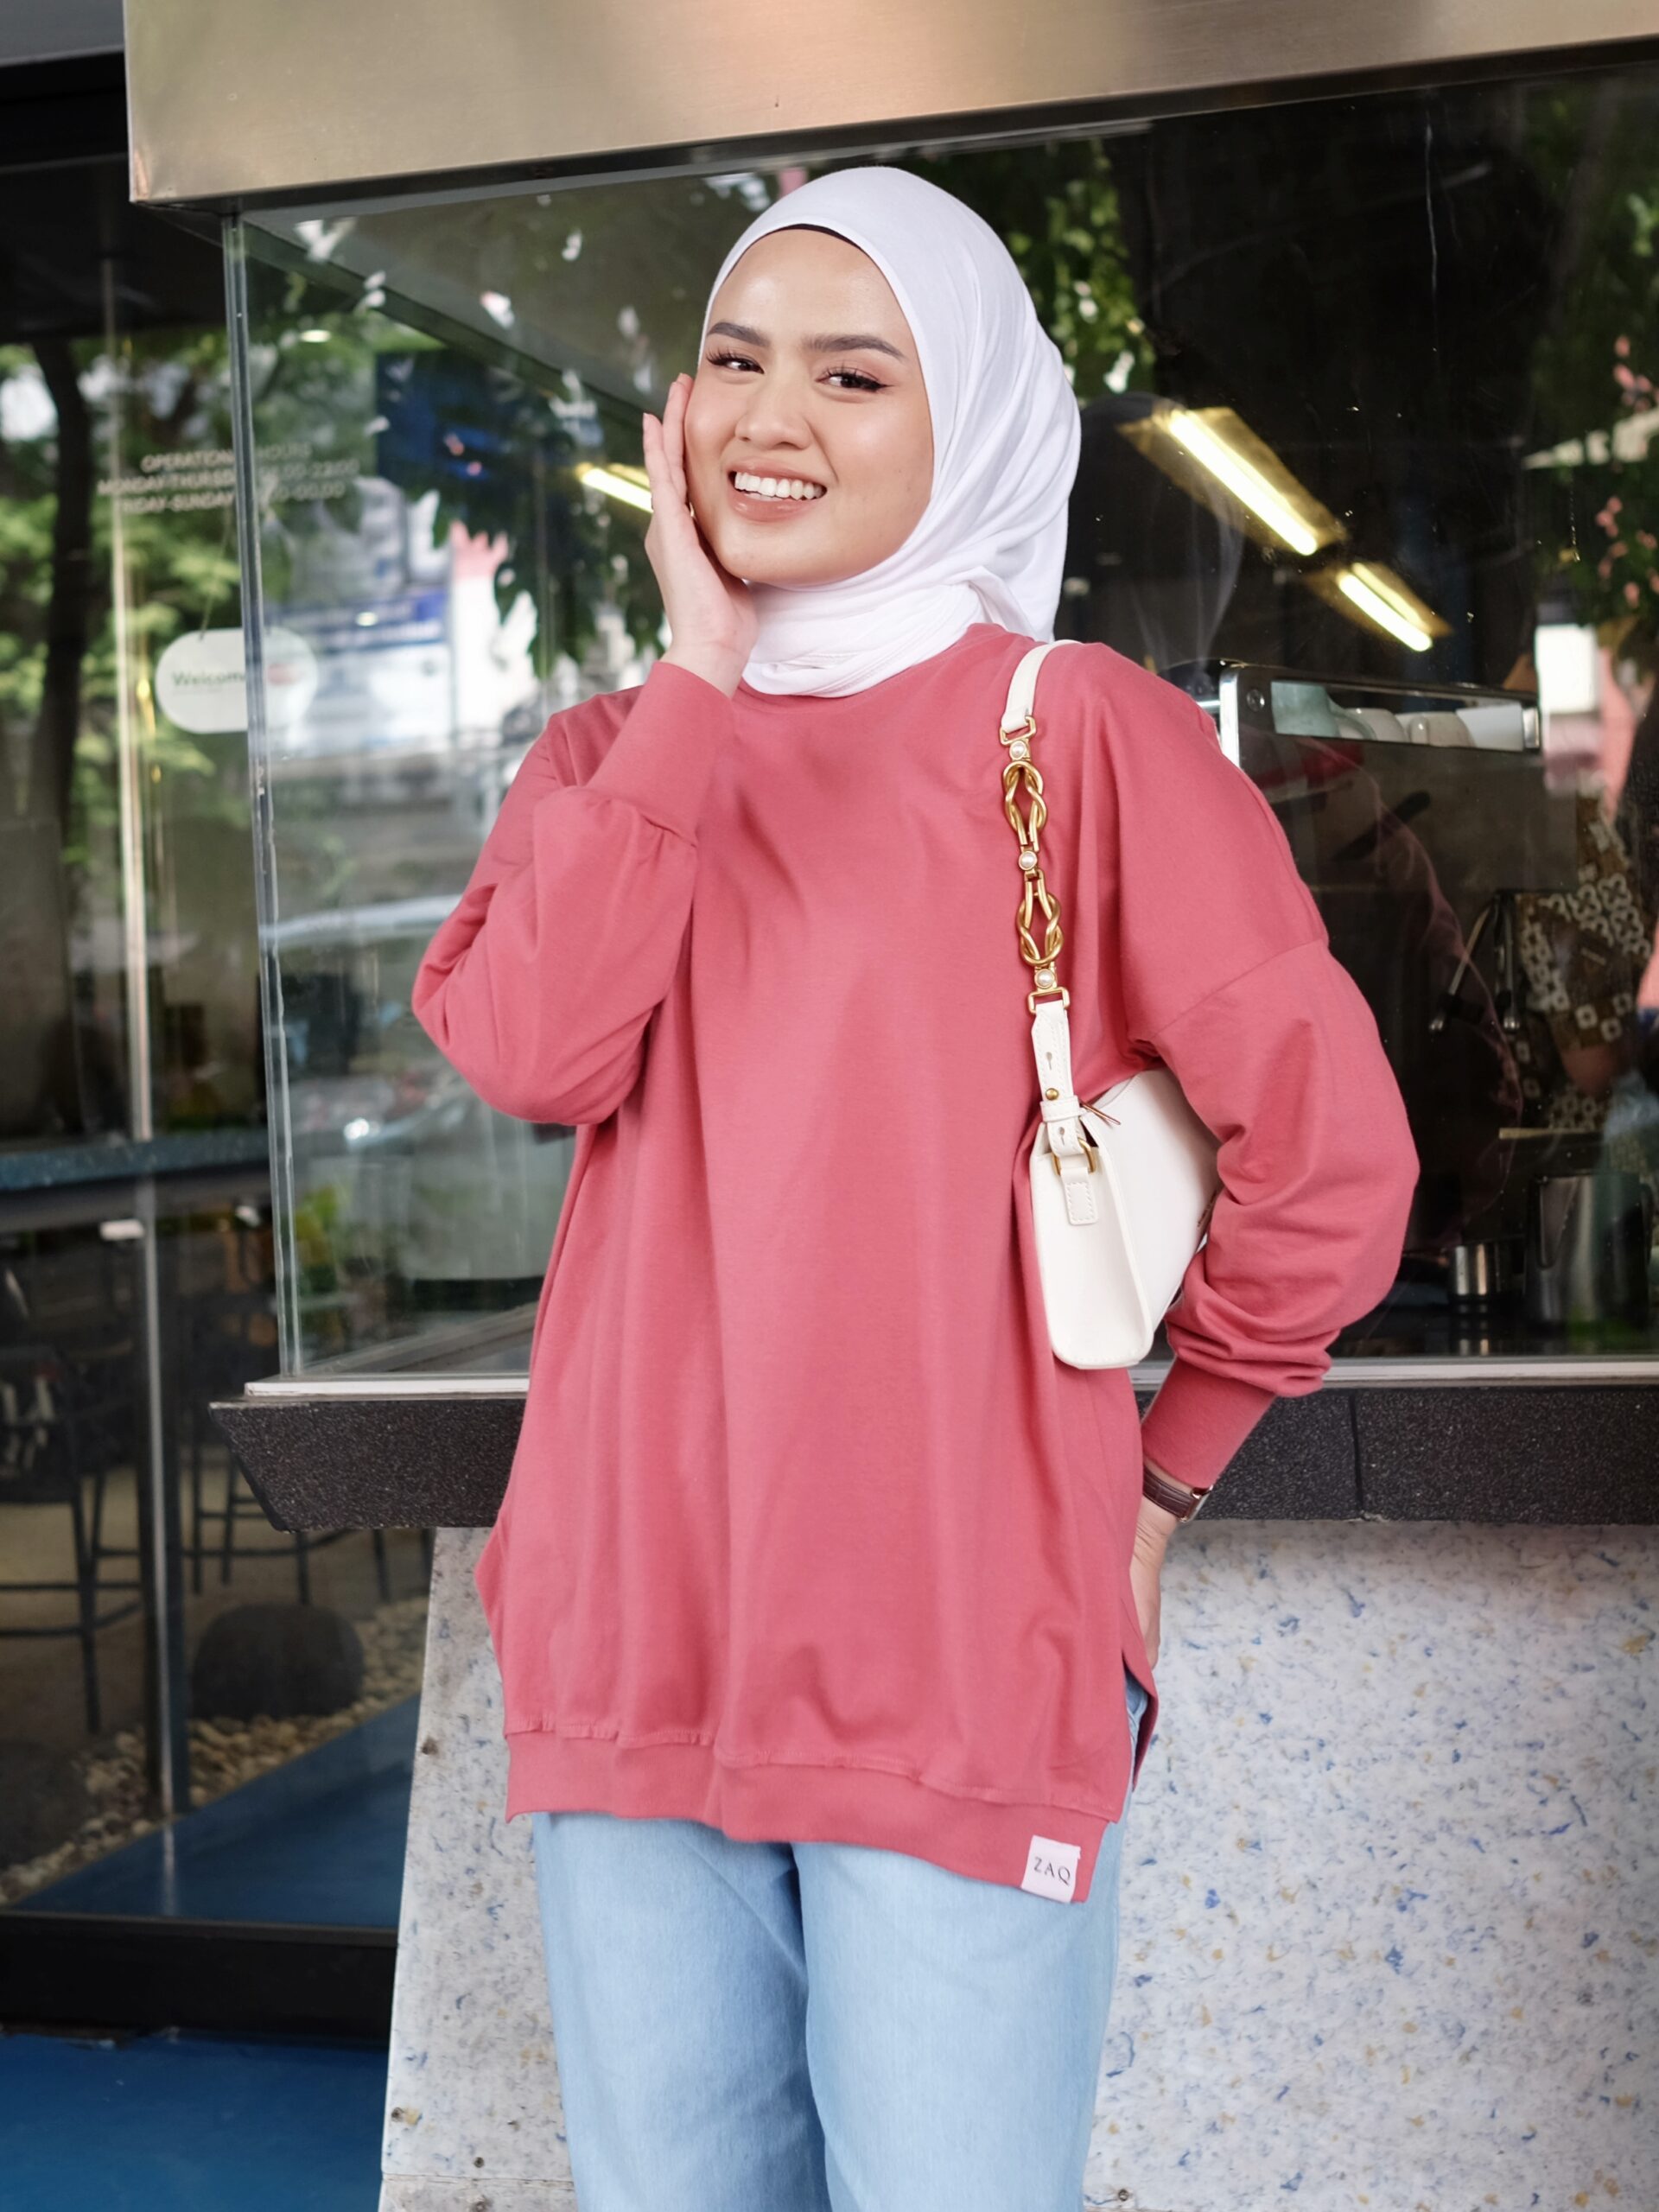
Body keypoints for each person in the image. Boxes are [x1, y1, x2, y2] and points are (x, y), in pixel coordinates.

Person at [412, 164, 1419, 2212]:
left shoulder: (1083, 736)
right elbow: (534, 1049)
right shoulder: (607, 757)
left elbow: (1333, 1157)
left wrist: (1163, 1483)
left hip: (956, 1644)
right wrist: (696, 678)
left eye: (854, 374)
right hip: (633, 1644)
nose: (770, 416)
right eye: (732, 361)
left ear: (970, 420)